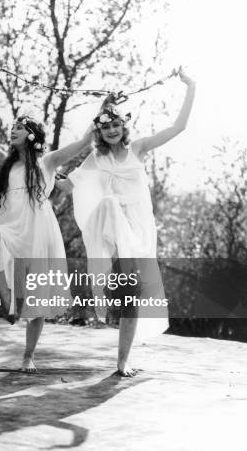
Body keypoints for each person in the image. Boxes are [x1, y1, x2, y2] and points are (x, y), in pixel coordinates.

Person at [68, 68, 196, 376]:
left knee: (133, 296)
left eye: (116, 125)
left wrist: (190, 87)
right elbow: (74, 184)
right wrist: (41, 183)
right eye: (105, 126)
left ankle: (122, 360)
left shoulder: (137, 148)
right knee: (109, 203)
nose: (111, 130)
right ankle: (107, 273)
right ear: (98, 131)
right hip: (113, 227)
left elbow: (178, 127)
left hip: (139, 229)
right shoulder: (96, 159)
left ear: (123, 128)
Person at [0, 74, 93, 372]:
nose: (13, 132)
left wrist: (104, 110)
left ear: (32, 135)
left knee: (36, 301)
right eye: (12, 128)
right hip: (9, 224)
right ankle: (8, 298)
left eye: (19, 128)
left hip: (37, 228)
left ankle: (28, 355)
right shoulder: (6, 163)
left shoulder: (47, 162)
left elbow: (84, 142)